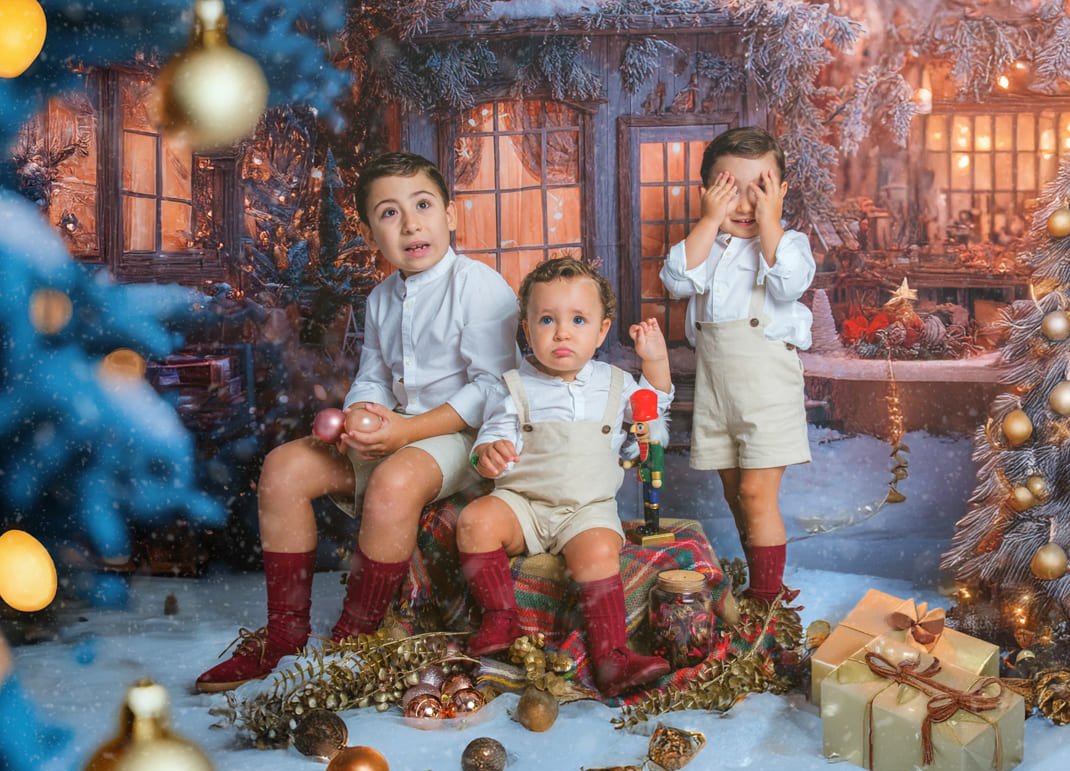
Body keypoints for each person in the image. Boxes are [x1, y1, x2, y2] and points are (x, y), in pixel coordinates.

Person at [196, 152, 519, 692]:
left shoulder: (478, 286)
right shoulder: (380, 297)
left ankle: (356, 635)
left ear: (451, 215)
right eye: (389, 214)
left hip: (460, 437)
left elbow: (494, 390)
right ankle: (284, 634)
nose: (411, 223)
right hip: (397, 429)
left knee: (395, 482)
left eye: (422, 205)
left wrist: (407, 432)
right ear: (372, 233)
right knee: (283, 467)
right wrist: (360, 418)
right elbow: (372, 374)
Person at [455, 257, 674, 697]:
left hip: (586, 509)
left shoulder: (618, 384)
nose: (562, 332)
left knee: (595, 551)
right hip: (524, 504)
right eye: (547, 320)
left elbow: (655, 416)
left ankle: (612, 657)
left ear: (601, 331)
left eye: (578, 320)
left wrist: (656, 361)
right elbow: (490, 439)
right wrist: (487, 456)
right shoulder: (513, 386)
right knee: (474, 520)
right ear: (527, 328)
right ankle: (501, 619)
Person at [659, 126, 815, 608]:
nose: (747, 205)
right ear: (708, 193)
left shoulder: (790, 244)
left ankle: (767, 598)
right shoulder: (708, 248)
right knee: (734, 493)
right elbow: (676, 280)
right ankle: (760, 574)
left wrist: (771, 222)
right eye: (731, 191)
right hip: (718, 390)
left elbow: (789, 284)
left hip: (768, 387)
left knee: (754, 493)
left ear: (782, 192)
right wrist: (709, 221)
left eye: (761, 190)